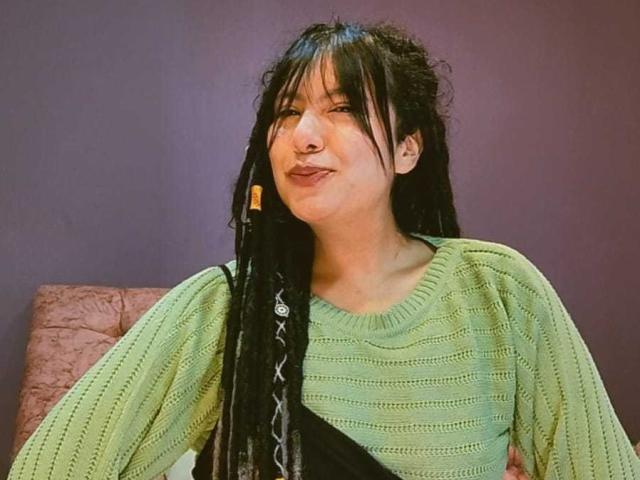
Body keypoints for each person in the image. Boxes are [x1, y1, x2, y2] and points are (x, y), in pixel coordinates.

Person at [8, 19, 640, 480]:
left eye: (341, 108)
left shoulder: (499, 291)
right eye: (286, 112)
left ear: (407, 150)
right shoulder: (228, 307)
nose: (303, 135)